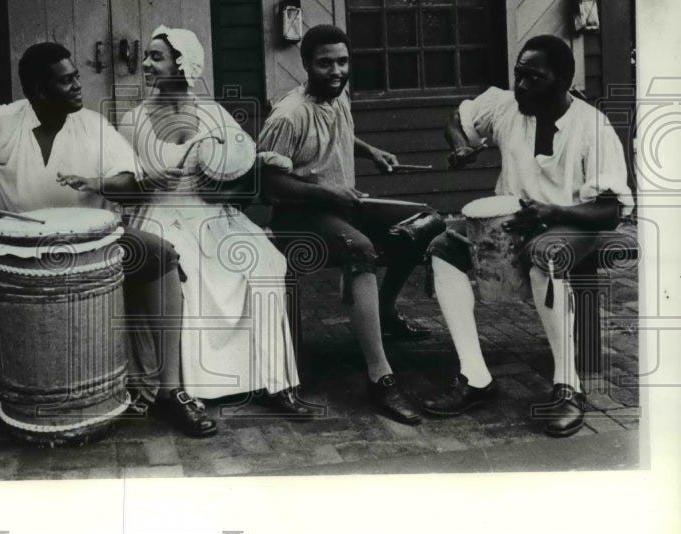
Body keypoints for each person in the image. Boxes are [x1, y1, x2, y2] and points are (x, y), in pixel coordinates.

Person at [0, 42, 218, 470]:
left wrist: (96, 181)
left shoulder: (92, 125)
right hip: (15, 249)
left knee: (162, 257)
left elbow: (131, 181)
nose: (78, 85)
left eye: (76, 76)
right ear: (38, 89)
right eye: (67, 79)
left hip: (95, 245)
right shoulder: (3, 119)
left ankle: (170, 392)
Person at [424, 34, 634, 437]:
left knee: (547, 254)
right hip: (515, 222)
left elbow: (608, 211)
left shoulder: (592, 125)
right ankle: (476, 376)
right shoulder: (506, 107)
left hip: (573, 222)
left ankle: (568, 386)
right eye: (518, 74)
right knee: (442, 249)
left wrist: (553, 213)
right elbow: (458, 120)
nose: (520, 85)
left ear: (562, 81)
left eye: (532, 78)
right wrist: (461, 147)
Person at [110, 25, 313, 417]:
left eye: (157, 57)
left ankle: (278, 380)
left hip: (211, 212)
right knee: (184, 266)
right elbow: (124, 185)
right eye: (147, 57)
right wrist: (149, 181)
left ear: (183, 65)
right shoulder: (134, 120)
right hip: (160, 211)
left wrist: (224, 194)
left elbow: (246, 169)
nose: (147, 65)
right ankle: (185, 390)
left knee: (264, 260)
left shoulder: (212, 112)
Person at [256, 24, 440, 425]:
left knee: (426, 221)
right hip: (299, 217)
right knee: (359, 249)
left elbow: (334, 131)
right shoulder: (288, 116)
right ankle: (381, 376)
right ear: (305, 65)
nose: (336, 71)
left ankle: (386, 313)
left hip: (341, 205)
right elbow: (267, 184)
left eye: (342, 61)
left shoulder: (338, 96)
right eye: (324, 63)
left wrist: (370, 150)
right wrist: (328, 194)